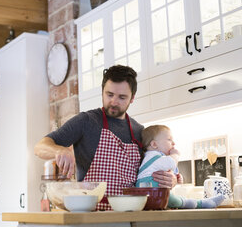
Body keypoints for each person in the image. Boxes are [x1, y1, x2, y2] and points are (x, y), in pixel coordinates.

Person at [34, 65, 176, 210]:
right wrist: (59, 151)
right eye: (109, 95)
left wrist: (171, 179)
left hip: (130, 215)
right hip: (92, 215)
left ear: (132, 98)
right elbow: (40, 147)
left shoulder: (140, 131)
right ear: (102, 92)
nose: (114, 102)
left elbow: (151, 170)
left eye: (122, 97)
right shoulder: (86, 121)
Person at [137, 125, 225, 209]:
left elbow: (169, 168)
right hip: (153, 194)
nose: (173, 143)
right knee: (179, 201)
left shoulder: (158, 158)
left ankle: (202, 203)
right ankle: (203, 203)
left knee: (177, 200)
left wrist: (176, 178)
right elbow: (171, 162)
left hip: (152, 194)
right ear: (154, 144)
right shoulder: (151, 156)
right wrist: (176, 154)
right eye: (169, 139)